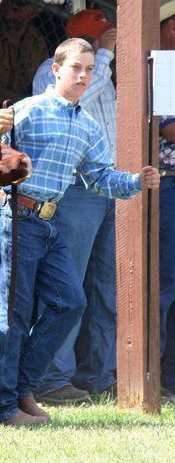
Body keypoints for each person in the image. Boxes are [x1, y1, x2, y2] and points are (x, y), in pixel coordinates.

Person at [0, 37, 160, 426]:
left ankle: (21, 389)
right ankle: (0, 408)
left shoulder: (88, 126)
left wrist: (136, 180)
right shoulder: (26, 111)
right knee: (13, 312)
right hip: (13, 216)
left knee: (70, 303)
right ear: (56, 70)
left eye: (89, 70)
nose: (82, 75)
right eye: (76, 68)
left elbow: (98, 178)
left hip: (48, 222)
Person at [30, 8, 117, 405]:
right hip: (75, 191)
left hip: (111, 186)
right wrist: (109, 57)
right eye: (98, 39)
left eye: (97, 50)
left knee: (107, 289)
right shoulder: (52, 71)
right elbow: (83, 90)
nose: (88, 66)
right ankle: (52, 378)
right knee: (66, 287)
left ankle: (100, 374)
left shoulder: (103, 68)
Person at [158, 0, 175, 398]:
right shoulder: (165, 67)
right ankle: (161, 375)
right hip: (169, 184)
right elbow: (170, 129)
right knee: (167, 284)